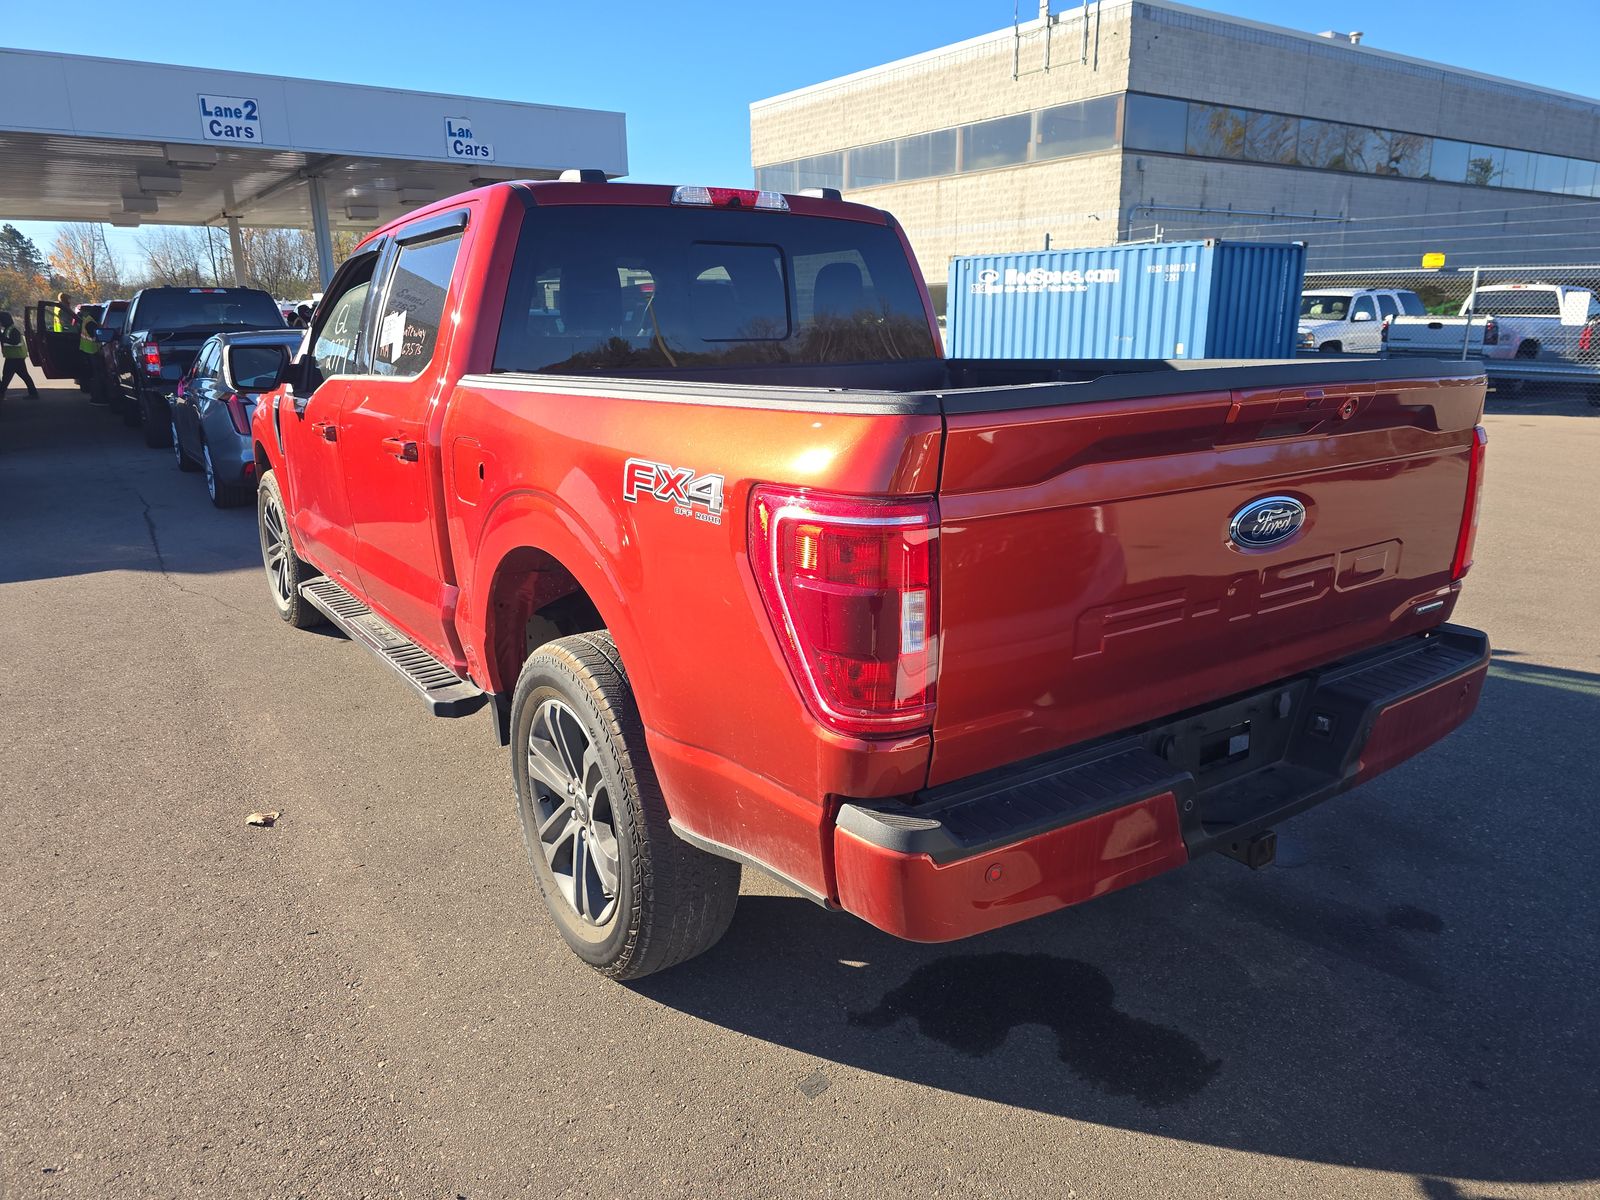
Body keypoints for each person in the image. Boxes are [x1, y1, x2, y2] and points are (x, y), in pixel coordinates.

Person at [1, 310, 41, 402]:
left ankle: (1, 393)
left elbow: (15, 342)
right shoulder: (8, 329)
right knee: (24, 376)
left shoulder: (12, 330)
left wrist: (2, 338)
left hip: (14, 357)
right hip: (15, 357)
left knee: (6, 377)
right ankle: (33, 393)